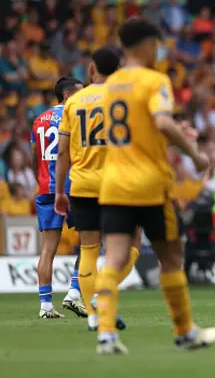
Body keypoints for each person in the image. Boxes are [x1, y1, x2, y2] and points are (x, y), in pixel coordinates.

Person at [95, 17, 215, 355]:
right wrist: (194, 154)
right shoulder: (154, 80)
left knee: (115, 259)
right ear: (147, 45)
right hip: (150, 185)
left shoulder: (110, 85)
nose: (159, 51)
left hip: (114, 184)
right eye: (157, 44)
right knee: (171, 258)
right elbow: (162, 122)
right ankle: (184, 332)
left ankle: (106, 334)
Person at [54, 47, 138, 331]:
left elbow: (62, 153)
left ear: (92, 69)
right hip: (115, 183)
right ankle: (103, 300)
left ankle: (92, 313)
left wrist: (59, 191)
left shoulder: (73, 102)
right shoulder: (123, 99)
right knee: (129, 246)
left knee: (88, 249)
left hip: (82, 184)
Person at [31, 76, 86, 319]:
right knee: (91, 239)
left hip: (45, 188)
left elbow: (35, 157)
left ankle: (45, 306)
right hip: (73, 187)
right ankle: (74, 291)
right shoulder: (76, 116)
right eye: (80, 93)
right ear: (67, 95)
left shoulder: (38, 120)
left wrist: (41, 180)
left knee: (47, 250)